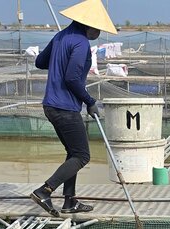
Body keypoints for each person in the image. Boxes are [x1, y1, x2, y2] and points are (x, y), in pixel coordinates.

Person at [30, 0, 117, 217]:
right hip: (65, 107)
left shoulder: (60, 37)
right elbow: (72, 78)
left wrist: (59, 57)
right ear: (88, 24)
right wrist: (89, 101)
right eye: (98, 28)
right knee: (81, 156)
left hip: (50, 105)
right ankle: (44, 190)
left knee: (72, 154)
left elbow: (40, 62)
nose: (98, 32)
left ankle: (70, 202)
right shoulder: (80, 43)